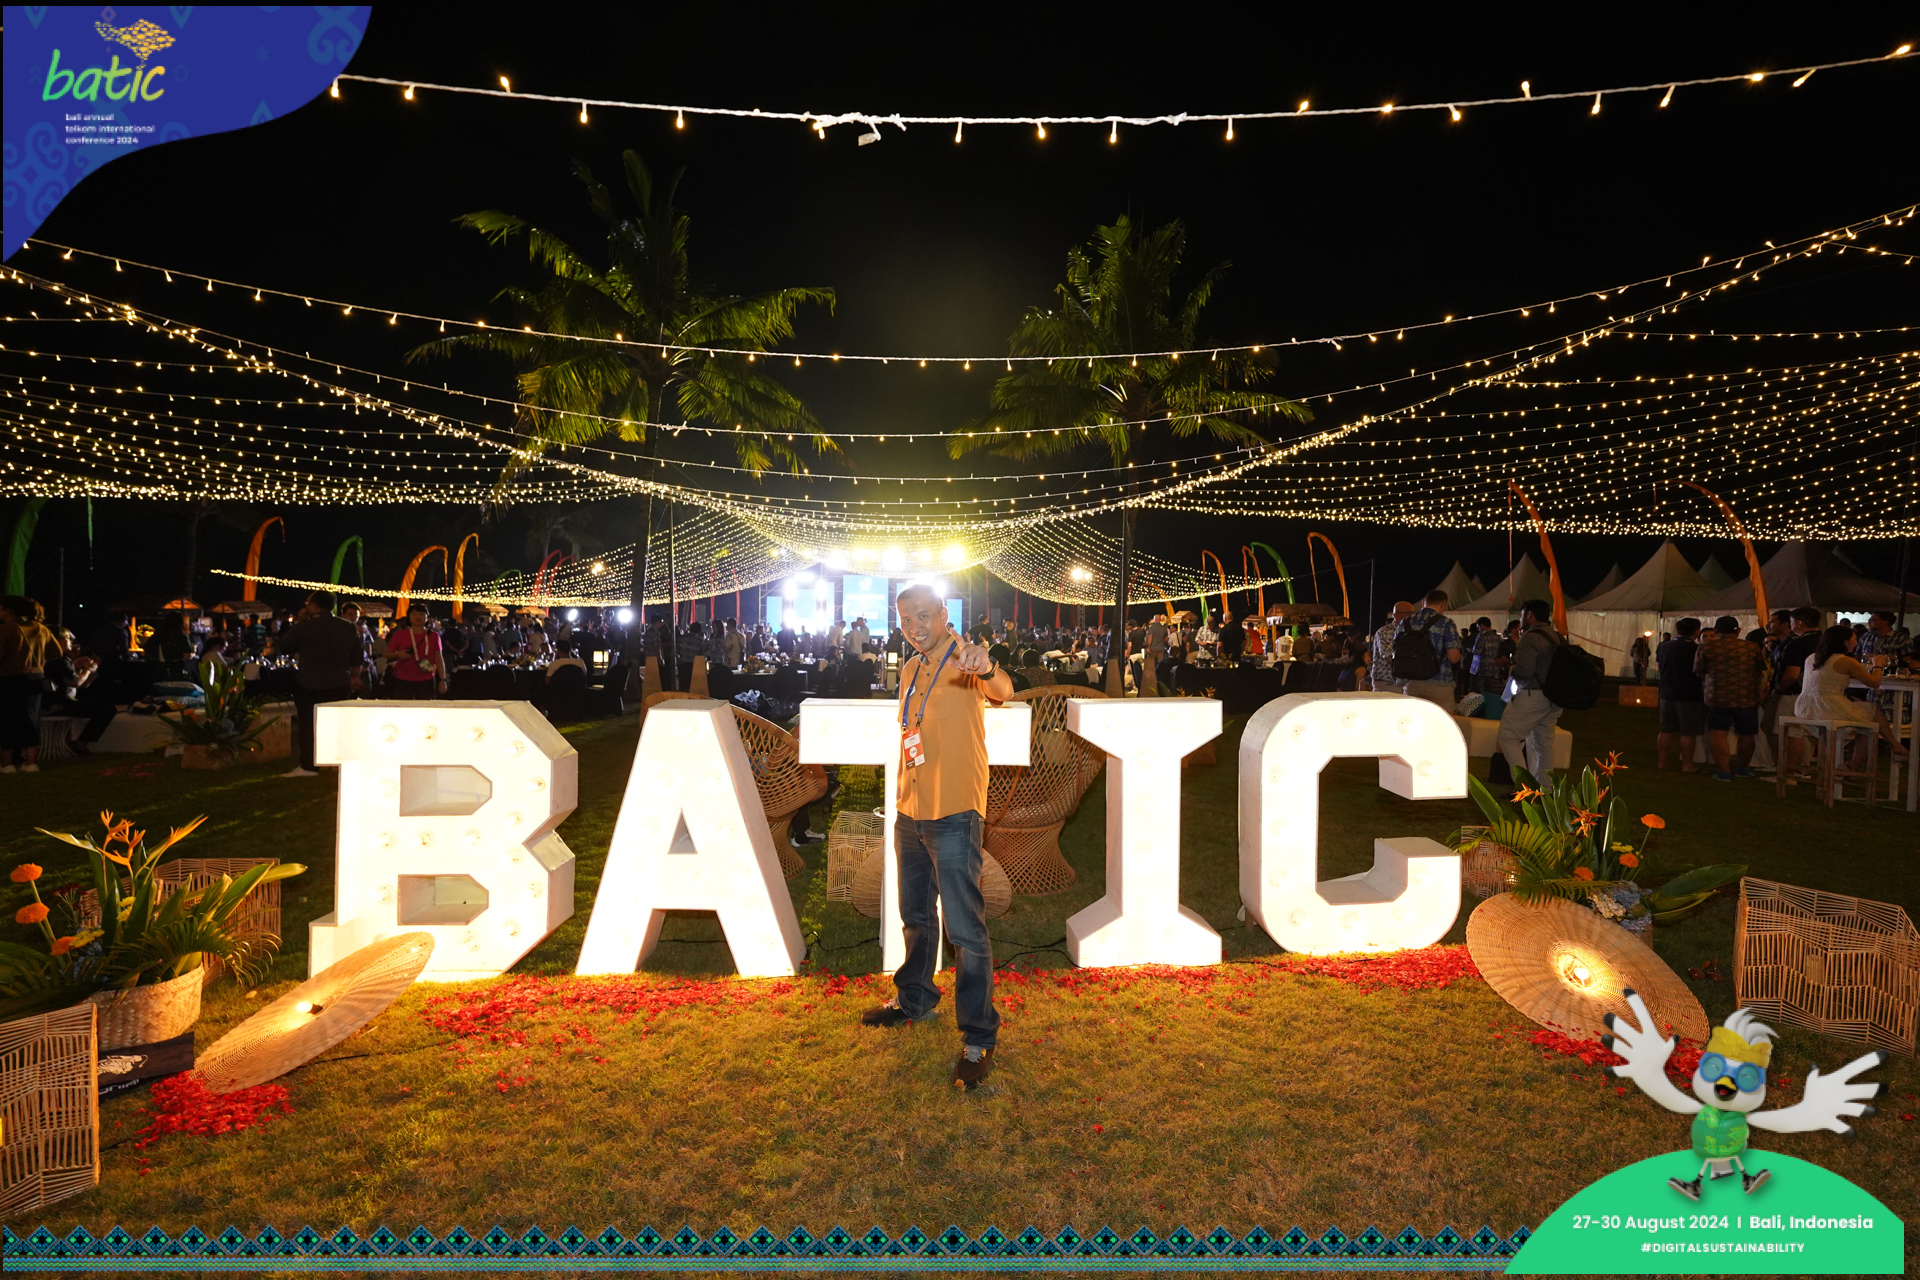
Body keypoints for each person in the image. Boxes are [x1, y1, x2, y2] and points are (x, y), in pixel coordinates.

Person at [860, 584, 1014, 1089]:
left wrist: (986, 667)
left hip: (954, 811)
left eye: (923, 616)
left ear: (944, 614)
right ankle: (915, 1000)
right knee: (916, 916)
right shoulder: (909, 668)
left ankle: (978, 1036)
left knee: (965, 931)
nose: (914, 627)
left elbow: (1003, 690)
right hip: (910, 811)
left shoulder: (966, 659)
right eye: (906, 619)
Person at [272, 590, 363, 777]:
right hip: (339, 680)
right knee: (338, 724)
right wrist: (355, 676)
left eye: (308, 603)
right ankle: (336, 762)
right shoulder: (347, 626)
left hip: (309, 680)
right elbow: (357, 655)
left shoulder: (305, 626)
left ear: (313, 606)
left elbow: (285, 646)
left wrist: (299, 621)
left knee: (308, 725)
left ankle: (309, 766)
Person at [1794, 624, 1907, 766]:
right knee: (1871, 714)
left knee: (1867, 718)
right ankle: (1889, 747)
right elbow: (1874, 683)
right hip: (1827, 708)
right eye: (1854, 639)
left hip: (1804, 707)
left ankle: (1852, 763)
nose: (1856, 642)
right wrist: (1878, 665)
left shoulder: (1811, 658)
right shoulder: (1846, 661)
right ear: (1845, 642)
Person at [1693, 615, 1767, 782]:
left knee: (1718, 732)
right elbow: (1760, 669)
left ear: (1716, 630)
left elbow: (1698, 671)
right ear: (1738, 630)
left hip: (1716, 696)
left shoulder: (1707, 648)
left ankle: (1724, 771)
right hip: (1746, 696)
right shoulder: (1751, 647)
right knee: (1747, 733)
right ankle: (1743, 768)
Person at [1498, 599, 1563, 781]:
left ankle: (1524, 787)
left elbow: (1524, 671)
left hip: (1532, 694)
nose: (1520, 620)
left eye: (1522, 615)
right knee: (1544, 745)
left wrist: (1509, 667)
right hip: (1554, 696)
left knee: (1508, 736)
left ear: (1529, 615)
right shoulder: (1557, 637)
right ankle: (1545, 789)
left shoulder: (1531, 637)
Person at [0, 596, 63, 774]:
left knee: (7, 720)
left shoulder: (6, 629)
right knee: (30, 720)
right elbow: (57, 652)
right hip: (35, 680)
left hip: (8, 679)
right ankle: (31, 763)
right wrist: (38, 661)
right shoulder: (41, 629)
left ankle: (7, 764)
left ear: (9, 610)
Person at [1392, 590, 1464, 712]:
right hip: (1440, 683)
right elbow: (1453, 657)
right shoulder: (1446, 623)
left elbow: (1396, 649)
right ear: (1443, 604)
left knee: (1414, 720)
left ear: (1423, 602)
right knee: (1442, 721)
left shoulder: (1406, 622)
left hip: (1411, 682)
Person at [1655, 618, 1706, 772]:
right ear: (1697, 631)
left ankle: (1661, 762)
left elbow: (1659, 666)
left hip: (1666, 692)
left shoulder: (1663, 646)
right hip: (1689, 693)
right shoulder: (1697, 649)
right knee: (1688, 732)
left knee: (1666, 729)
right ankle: (1687, 764)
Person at [384, 605, 445, 700]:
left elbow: (439, 658)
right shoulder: (400, 634)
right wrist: (398, 654)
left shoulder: (434, 636)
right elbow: (387, 654)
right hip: (403, 678)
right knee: (403, 706)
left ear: (427, 618)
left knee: (425, 707)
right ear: (409, 617)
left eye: (422, 614)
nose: (418, 617)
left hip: (426, 679)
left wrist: (442, 680)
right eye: (414, 614)